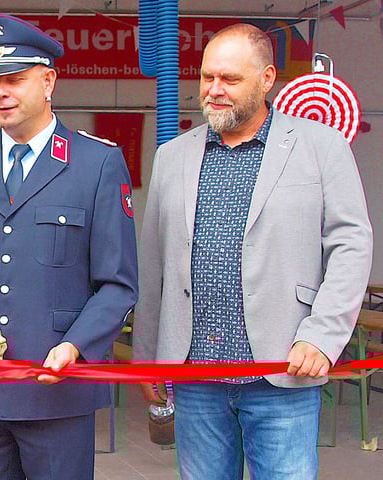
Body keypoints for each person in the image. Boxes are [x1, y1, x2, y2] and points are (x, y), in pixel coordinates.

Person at [133, 23, 372, 480]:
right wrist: (147, 354)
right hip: (195, 376)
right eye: (207, 78)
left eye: (230, 79)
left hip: (283, 370)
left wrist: (321, 336)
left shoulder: (321, 147)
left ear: (267, 78)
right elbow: (153, 264)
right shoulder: (173, 155)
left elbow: (351, 245)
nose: (214, 91)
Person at [0, 14, 139, 480]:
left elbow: (117, 284)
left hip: (57, 392)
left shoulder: (96, 163)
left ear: (48, 82)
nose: (0, 92)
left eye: (14, 80)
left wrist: (77, 346)